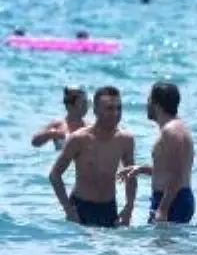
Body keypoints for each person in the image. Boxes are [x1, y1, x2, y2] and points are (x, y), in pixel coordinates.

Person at [48, 86, 137, 227]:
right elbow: (55, 175)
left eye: (119, 108)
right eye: (109, 108)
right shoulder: (79, 138)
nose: (115, 113)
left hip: (109, 208)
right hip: (81, 208)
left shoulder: (126, 139)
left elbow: (131, 176)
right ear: (95, 110)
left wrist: (129, 208)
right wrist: (69, 211)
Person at [117, 83, 196, 224]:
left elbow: (177, 174)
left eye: (149, 100)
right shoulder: (177, 128)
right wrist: (141, 169)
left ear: (157, 104)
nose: (147, 105)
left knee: (164, 245)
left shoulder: (171, 132)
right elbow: (170, 170)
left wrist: (163, 209)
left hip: (172, 201)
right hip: (176, 198)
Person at [32, 86, 89, 150]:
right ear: (69, 105)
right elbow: (35, 142)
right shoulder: (58, 124)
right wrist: (51, 134)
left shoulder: (89, 127)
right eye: (83, 102)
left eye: (86, 102)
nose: (86, 106)